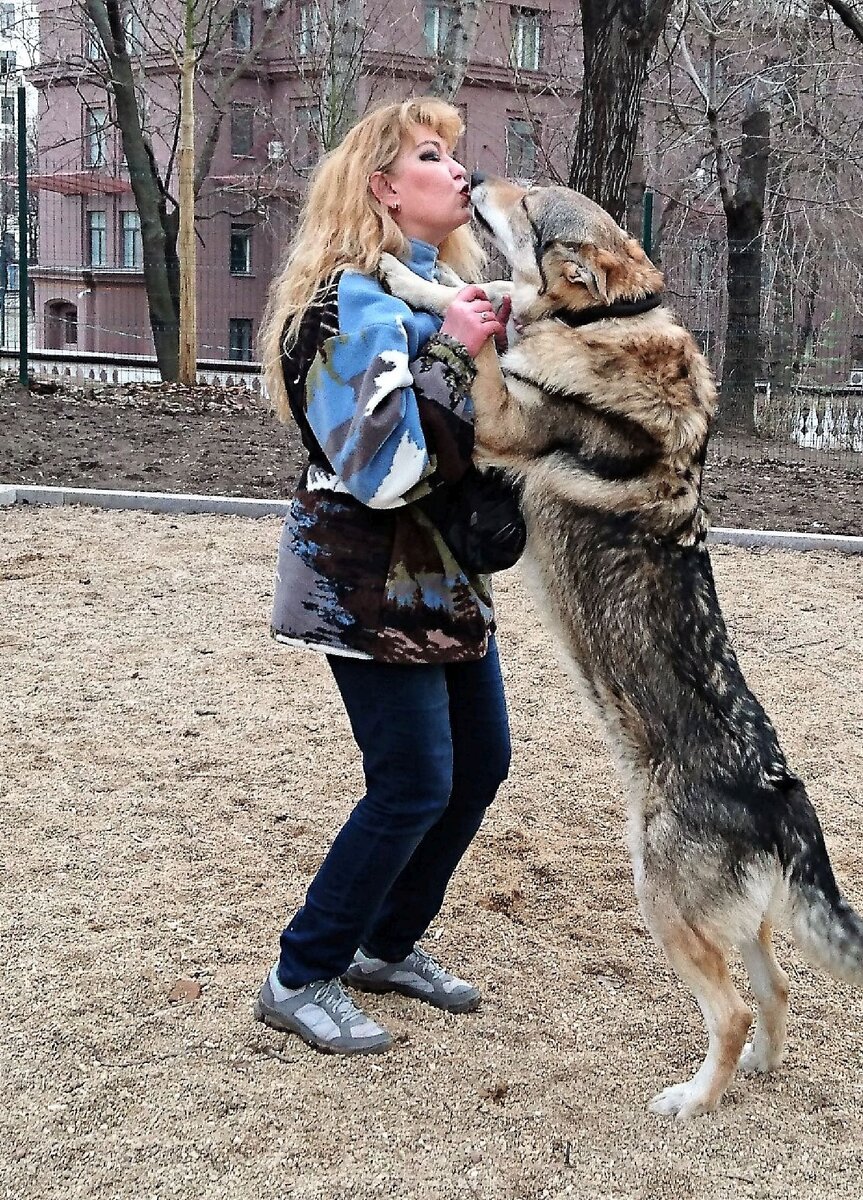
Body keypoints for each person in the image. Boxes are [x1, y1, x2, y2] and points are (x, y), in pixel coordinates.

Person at [254, 97, 515, 1055]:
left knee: (480, 765)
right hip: (362, 584)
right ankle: (300, 971)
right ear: (381, 188)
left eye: (457, 156)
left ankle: (383, 944)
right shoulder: (342, 307)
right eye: (434, 156)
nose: (460, 172)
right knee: (411, 783)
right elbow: (389, 468)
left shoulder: (432, 297)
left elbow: (474, 442)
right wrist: (458, 352)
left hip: (440, 581)